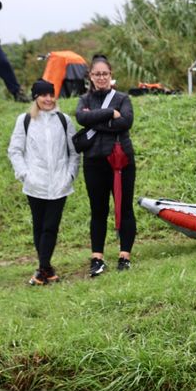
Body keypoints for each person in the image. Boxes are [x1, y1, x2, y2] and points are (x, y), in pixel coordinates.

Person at [7, 80, 77, 286]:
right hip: (35, 183)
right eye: (43, 95)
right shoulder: (25, 120)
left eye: (51, 95)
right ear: (35, 97)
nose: (48, 99)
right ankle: (47, 269)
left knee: (50, 226)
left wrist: (70, 175)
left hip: (60, 183)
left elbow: (74, 153)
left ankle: (42, 269)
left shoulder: (64, 120)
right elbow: (15, 150)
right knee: (39, 226)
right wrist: (24, 174)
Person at [75, 55, 136, 276]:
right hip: (93, 162)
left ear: (111, 76)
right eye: (97, 74)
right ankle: (97, 257)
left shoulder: (122, 98)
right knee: (98, 210)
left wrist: (96, 120)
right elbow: (81, 118)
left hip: (121, 161)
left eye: (105, 74)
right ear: (90, 76)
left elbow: (125, 122)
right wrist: (110, 114)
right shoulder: (84, 100)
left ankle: (124, 255)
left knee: (124, 207)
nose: (101, 77)